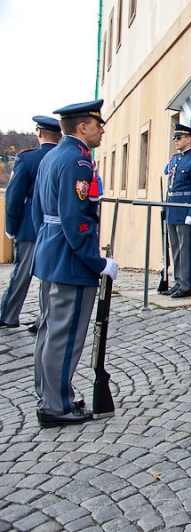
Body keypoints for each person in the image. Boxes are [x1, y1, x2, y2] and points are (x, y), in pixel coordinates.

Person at [31, 99, 119, 428]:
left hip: (51, 256)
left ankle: (49, 395)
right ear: (83, 127)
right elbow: (76, 220)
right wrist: (97, 262)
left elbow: (42, 212)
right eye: (98, 124)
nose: (102, 130)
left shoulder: (53, 156)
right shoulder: (79, 163)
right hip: (71, 261)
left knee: (49, 331)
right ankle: (58, 406)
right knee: (65, 336)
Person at [2, 116, 62, 330]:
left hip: (29, 226)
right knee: (49, 276)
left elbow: (14, 196)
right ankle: (44, 319)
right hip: (56, 225)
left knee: (21, 273)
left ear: (39, 133)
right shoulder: (65, 158)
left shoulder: (27, 160)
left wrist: (11, 226)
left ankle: (9, 315)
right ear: (60, 135)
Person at [160, 124, 191, 298]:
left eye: (179, 138)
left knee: (185, 248)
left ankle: (186, 285)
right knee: (175, 247)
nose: (175, 141)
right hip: (173, 208)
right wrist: (166, 207)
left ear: (188, 139)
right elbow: (170, 186)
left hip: (185, 209)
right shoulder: (174, 160)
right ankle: (178, 281)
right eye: (174, 138)